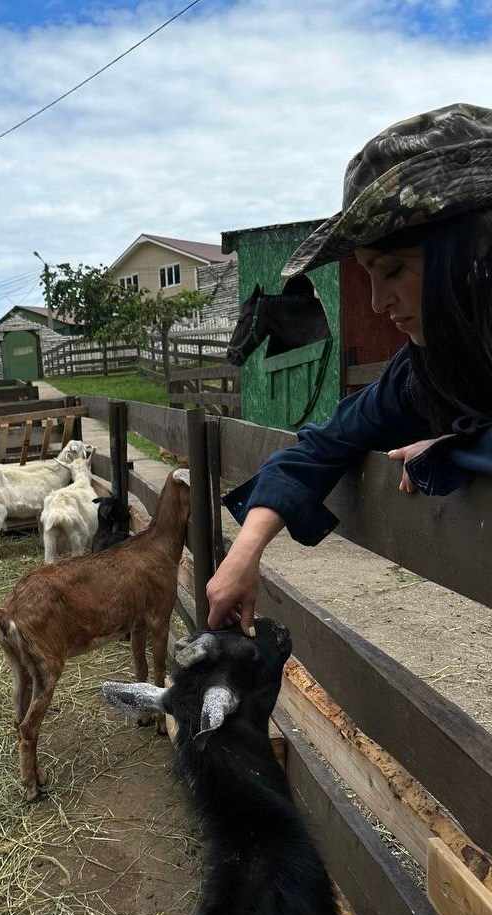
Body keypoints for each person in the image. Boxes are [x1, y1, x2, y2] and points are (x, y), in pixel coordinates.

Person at [207, 102, 492, 632]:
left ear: (477, 245)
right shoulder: (425, 372)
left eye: (393, 270)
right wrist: (245, 550)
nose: (380, 302)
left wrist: (460, 447)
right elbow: (328, 441)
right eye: (367, 275)